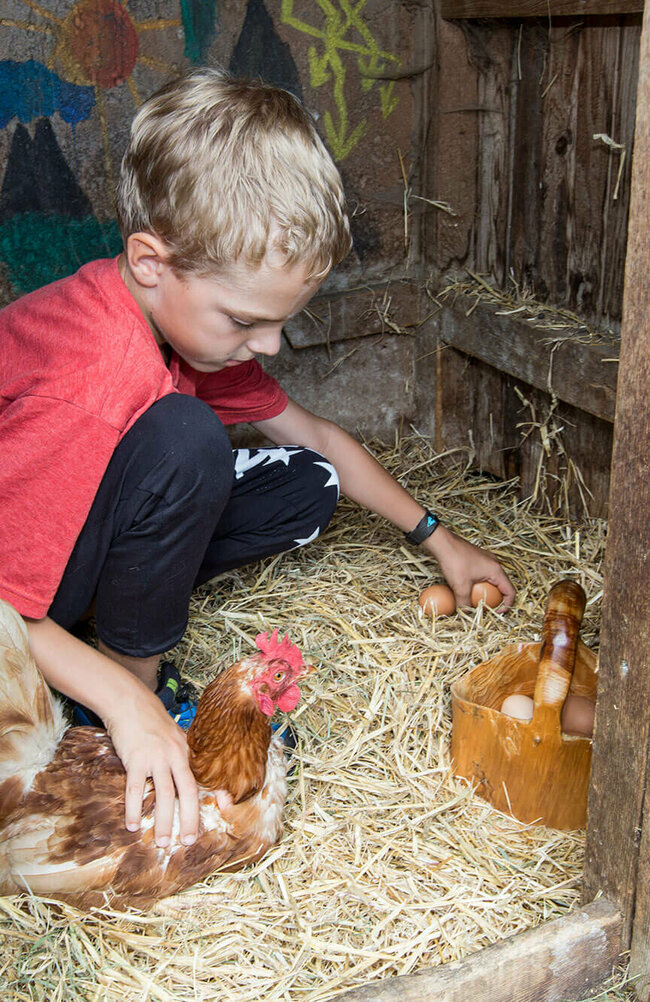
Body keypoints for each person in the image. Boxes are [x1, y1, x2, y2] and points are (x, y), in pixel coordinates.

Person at [0, 68, 515, 851]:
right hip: (17, 589)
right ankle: (123, 683)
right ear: (150, 262)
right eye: (247, 320)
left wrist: (439, 539)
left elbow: (322, 438)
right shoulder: (94, 372)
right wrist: (123, 702)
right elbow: (5, 608)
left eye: (280, 321)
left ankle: (121, 631)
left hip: (78, 517)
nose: (271, 345)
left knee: (308, 486)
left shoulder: (180, 327)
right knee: (187, 439)